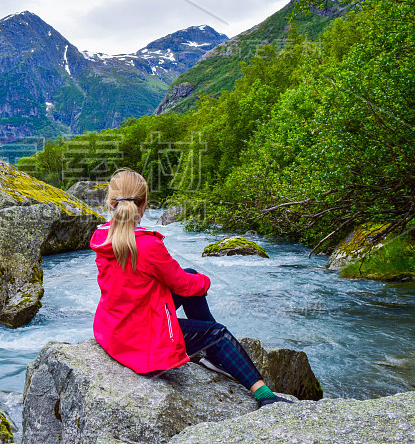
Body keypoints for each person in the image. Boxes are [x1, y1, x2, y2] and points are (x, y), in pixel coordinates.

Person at [90, 168, 292, 408]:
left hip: (115, 329)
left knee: (191, 276)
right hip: (140, 340)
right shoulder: (147, 245)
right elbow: (182, 285)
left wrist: (195, 280)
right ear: (144, 205)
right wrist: (206, 282)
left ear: (111, 202)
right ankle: (265, 396)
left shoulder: (102, 235)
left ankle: (212, 354)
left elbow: (176, 280)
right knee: (216, 332)